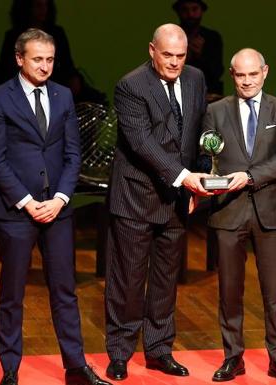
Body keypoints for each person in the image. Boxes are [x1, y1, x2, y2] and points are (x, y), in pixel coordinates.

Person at [0, 28, 108, 385]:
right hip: (16, 210)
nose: (45, 66)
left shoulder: (64, 95)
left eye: (50, 59)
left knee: (65, 291)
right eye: (38, 59)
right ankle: (10, 369)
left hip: (57, 210)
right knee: (12, 293)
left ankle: (75, 366)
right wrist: (27, 202)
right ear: (19, 58)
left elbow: (72, 153)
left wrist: (60, 198)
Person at [104, 23, 209, 381]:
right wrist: (184, 178)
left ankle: (159, 348)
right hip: (136, 196)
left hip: (177, 198)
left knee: (166, 279)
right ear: (152, 50)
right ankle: (119, 352)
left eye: (181, 56)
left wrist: (198, 179)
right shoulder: (131, 86)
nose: (175, 62)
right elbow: (142, 143)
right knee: (128, 280)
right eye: (168, 55)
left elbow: (196, 132)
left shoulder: (195, 78)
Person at [201, 48, 276, 384]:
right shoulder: (215, 111)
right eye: (240, 75)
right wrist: (203, 180)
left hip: (270, 212)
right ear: (232, 74)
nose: (246, 81)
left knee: (275, 293)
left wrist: (250, 176)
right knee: (229, 290)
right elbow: (207, 155)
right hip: (228, 211)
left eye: (252, 74)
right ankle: (233, 357)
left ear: (265, 72)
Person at [173, 0, 224, 100]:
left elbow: (218, 72)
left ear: (202, 11)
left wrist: (200, 55)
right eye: (185, 10)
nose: (190, 14)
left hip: (208, 96)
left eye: (194, 9)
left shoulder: (212, 37)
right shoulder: (170, 37)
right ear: (178, 12)